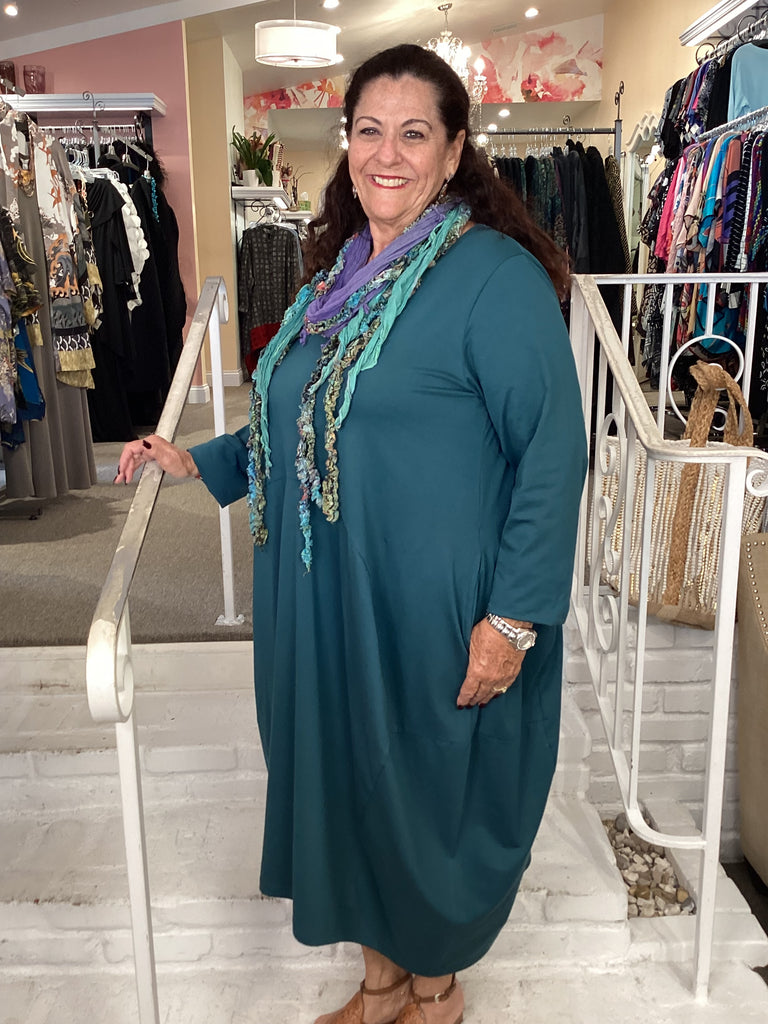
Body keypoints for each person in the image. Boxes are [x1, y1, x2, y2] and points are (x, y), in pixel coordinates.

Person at [116, 43, 587, 1024]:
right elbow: (299, 416)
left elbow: (552, 456)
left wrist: (514, 618)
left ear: (453, 151)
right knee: (350, 792)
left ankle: (436, 995)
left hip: (427, 612)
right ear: (347, 144)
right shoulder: (338, 277)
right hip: (322, 603)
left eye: (414, 133)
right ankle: (380, 990)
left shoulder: (492, 277)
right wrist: (198, 460)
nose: (387, 153)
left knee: (420, 800)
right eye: (369, 130)